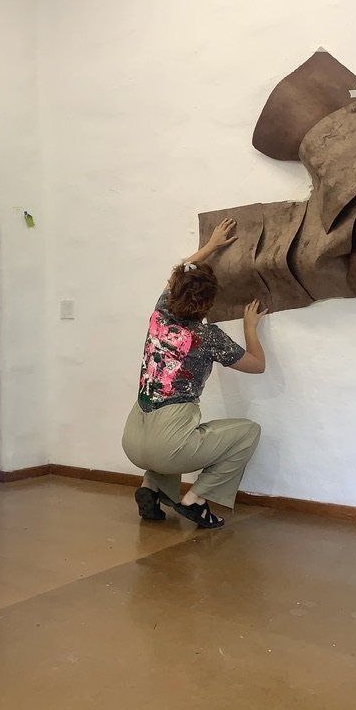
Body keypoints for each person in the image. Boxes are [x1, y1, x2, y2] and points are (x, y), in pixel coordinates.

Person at [122, 219, 268, 529]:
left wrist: (211, 245)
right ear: (210, 302)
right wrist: (249, 328)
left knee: (172, 444)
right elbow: (257, 365)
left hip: (133, 438)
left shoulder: (160, 313)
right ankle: (196, 500)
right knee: (248, 432)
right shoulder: (208, 337)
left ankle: (151, 487)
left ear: (174, 289)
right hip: (166, 443)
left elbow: (180, 273)